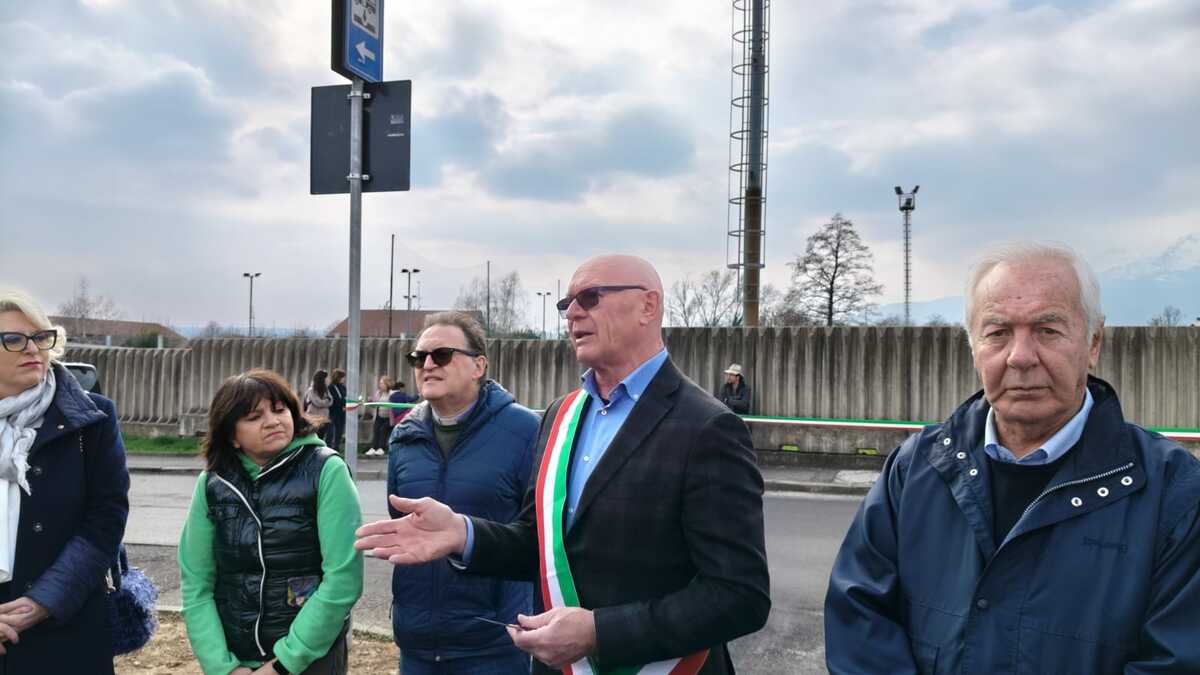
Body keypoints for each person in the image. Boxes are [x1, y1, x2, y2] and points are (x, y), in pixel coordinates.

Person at [356, 255, 770, 674]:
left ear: (649, 306)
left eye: (590, 297)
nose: (572, 312)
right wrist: (462, 534)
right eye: (566, 302)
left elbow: (740, 595)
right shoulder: (562, 415)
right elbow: (539, 543)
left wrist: (598, 632)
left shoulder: (709, 427)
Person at [824, 242, 1200, 674]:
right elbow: (860, 622)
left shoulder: (1175, 492)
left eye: (1047, 330)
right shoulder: (915, 469)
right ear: (974, 349)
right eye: (998, 332)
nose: (1021, 357)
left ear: (1093, 342)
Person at [180, 368, 363, 675]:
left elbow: (342, 581)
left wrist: (284, 665)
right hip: (235, 661)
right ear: (231, 436)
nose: (273, 421)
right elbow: (196, 584)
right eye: (254, 417)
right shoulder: (212, 484)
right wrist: (222, 667)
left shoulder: (326, 471)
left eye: (280, 410)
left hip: (309, 660)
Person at [387, 311, 538, 674]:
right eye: (417, 357)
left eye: (441, 355)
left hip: (494, 646)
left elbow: (538, 537)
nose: (427, 364)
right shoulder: (404, 437)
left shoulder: (526, 432)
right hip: (417, 646)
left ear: (478, 365)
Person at [0, 288, 130, 673]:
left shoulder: (92, 419)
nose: (32, 349)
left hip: (63, 622)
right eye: (12, 339)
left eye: (40, 337)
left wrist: (45, 601)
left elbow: (106, 518)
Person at [303, 369, 334, 447]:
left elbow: (331, 401)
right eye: (325, 378)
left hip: (324, 418)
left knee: (322, 437)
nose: (327, 380)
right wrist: (326, 401)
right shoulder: (311, 390)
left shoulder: (326, 390)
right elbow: (317, 402)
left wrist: (326, 401)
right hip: (313, 418)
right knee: (314, 438)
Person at [368, 375, 394, 455]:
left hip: (388, 418)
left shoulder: (391, 394)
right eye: (380, 383)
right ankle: (373, 448)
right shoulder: (378, 393)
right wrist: (370, 401)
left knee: (383, 430)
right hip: (379, 416)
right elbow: (374, 405)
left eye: (382, 383)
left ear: (387, 384)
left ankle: (381, 448)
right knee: (376, 430)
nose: (380, 385)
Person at [327, 368, 347, 452]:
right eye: (342, 377)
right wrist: (342, 401)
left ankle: (336, 446)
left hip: (341, 411)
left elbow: (344, 397)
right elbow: (334, 399)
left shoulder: (343, 387)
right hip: (333, 411)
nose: (344, 379)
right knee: (331, 431)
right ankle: (329, 446)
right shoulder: (331, 387)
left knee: (340, 430)